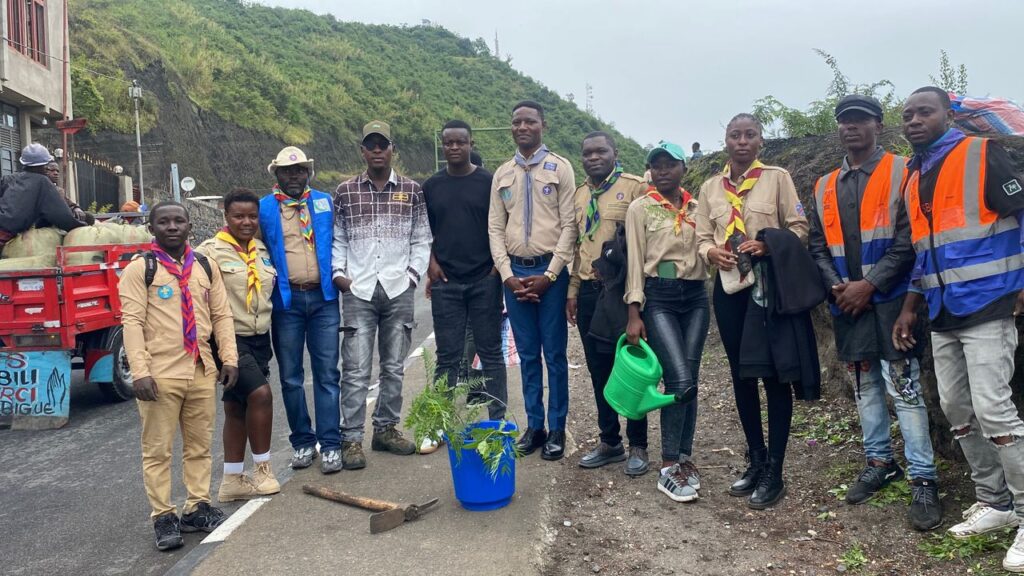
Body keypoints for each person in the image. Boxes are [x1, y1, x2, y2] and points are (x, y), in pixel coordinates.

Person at [893, 86, 1024, 571]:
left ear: (948, 114)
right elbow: (923, 249)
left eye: (924, 112)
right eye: (906, 115)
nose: (913, 120)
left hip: (988, 302)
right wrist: (910, 305)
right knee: (955, 407)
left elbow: (1021, 213)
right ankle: (995, 502)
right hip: (942, 308)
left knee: (994, 408)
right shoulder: (914, 175)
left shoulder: (981, 153)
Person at [806, 94, 942, 530]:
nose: (852, 128)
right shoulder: (825, 184)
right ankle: (880, 461)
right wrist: (837, 287)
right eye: (845, 121)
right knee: (864, 385)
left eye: (861, 120)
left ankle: (923, 477)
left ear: (878, 126)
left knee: (903, 388)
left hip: (893, 301)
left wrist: (870, 285)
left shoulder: (904, 170)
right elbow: (817, 245)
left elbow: (910, 239)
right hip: (848, 303)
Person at [695, 113, 811, 509]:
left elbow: (798, 227)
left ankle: (775, 471)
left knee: (774, 376)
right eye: (735, 135)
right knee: (740, 376)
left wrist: (767, 245)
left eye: (750, 135)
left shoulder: (777, 178)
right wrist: (710, 251)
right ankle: (756, 459)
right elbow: (699, 236)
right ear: (725, 140)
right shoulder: (711, 187)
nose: (742, 141)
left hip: (767, 289)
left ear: (761, 140)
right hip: (729, 291)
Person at [118, 201, 238, 551]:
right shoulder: (141, 269)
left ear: (190, 227)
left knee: (200, 446)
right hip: (160, 374)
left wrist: (228, 358)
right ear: (151, 228)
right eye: (164, 222)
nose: (172, 227)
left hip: (200, 369)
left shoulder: (204, 265)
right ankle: (163, 516)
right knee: (157, 450)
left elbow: (222, 316)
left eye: (179, 221)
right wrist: (139, 372)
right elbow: (132, 323)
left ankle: (197, 507)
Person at [333, 120, 431, 468]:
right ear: (362, 150)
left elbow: (421, 237)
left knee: (394, 366)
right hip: (358, 289)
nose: (377, 150)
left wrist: (412, 275)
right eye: (370, 145)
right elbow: (339, 237)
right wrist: (339, 274)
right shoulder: (345, 191)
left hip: (397, 288)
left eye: (383, 144)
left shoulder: (411, 190)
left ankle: (386, 429)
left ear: (392, 149)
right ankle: (351, 439)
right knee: (357, 368)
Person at [488, 100, 576, 461]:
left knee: (553, 355)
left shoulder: (561, 168)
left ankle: (557, 428)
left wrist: (551, 274)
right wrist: (507, 275)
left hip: (549, 273)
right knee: (526, 356)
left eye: (530, 121)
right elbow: (495, 227)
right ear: (511, 127)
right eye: (517, 122)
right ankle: (534, 426)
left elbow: (570, 225)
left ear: (543, 125)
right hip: (516, 275)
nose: (523, 127)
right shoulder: (502, 173)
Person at [624, 141, 709, 502]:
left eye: (669, 164)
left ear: (682, 169)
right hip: (659, 296)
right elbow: (635, 262)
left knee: (691, 378)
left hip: (696, 297)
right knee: (677, 378)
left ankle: (685, 457)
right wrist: (634, 312)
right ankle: (668, 465)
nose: (662, 171)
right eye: (655, 165)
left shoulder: (699, 207)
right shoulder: (640, 209)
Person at [568, 131, 650, 475]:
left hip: (622, 292)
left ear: (615, 154)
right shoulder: (580, 194)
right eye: (587, 153)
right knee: (598, 369)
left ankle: (639, 445)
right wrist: (572, 290)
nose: (594, 157)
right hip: (588, 291)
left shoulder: (634, 189)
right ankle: (609, 441)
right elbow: (578, 246)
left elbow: (646, 240)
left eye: (601, 151)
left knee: (629, 369)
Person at [258, 146, 342, 474]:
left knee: (327, 373)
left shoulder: (324, 203)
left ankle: (331, 444)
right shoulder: (264, 208)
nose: (293, 176)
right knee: (291, 376)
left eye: (299, 170)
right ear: (276, 174)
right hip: (286, 302)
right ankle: (303, 442)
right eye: (286, 171)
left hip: (324, 300)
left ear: (308, 172)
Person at [197, 188, 280, 502]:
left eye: (252, 216)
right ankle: (263, 470)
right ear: (225, 216)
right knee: (261, 395)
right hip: (228, 340)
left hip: (259, 337)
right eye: (239, 216)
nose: (246, 222)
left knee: (236, 406)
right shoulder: (210, 252)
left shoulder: (261, 250)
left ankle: (232, 480)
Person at [423, 120, 506, 420]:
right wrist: (431, 265)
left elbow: (501, 226)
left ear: (471, 144)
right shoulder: (431, 187)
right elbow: (424, 233)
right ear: (443, 146)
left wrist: (497, 268)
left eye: (460, 142)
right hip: (447, 284)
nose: (454, 147)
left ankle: (498, 420)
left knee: (491, 353)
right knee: (447, 357)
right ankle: (439, 421)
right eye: (449, 143)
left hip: (485, 280)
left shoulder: (489, 182)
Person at [0, 143, 87, 249]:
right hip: (6, 233)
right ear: (44, 165)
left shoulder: (10, 178)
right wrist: (81, 226)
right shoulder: (42, 182)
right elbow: (60, 215)